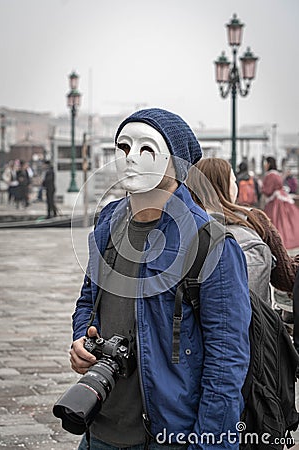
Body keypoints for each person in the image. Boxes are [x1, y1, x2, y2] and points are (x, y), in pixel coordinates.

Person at [69, 109, 251, 450]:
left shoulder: (211, 244)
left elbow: (227, 361)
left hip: (169, 436)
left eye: (146, 149)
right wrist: (83, 339)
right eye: (123, 148)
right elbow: (87, 301)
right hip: (100, 428)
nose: (130, 159)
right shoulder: (108, 226)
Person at [187, 157, 299, 295]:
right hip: (252, 314)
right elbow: (288, 278)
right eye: (233, 181)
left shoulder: (181, 225)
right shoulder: (253, 219)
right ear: (224, 185)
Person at [262, 156, 299, 249]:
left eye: (265, 163)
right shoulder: (277, 174)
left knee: (275, 222)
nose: (264, 165)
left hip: (274, 202)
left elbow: (267, 190)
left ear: (269, 164)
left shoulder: (270, 175)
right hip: (282, 198)